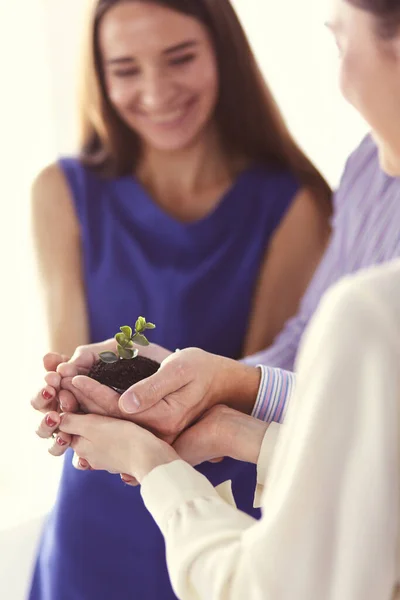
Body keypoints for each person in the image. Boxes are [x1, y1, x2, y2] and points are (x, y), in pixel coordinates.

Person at [29, 0, 332, 598]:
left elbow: (263, 382)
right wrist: (66, 392)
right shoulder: (61, 192)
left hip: (218, 509)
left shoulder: (293, 204)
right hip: (95, 512)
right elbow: (67, 351)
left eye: (180, 57)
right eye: (125, 68)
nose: (156, 90)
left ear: (223, 54)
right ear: (100, 74)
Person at [56, 257, 400, 600]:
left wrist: (149, 461)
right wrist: (234, 424)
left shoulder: (370, 312)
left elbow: (268, 590)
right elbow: (379, 480)